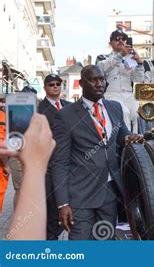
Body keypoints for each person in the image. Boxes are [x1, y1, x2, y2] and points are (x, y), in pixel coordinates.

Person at [50, 65, 144, 240]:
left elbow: (121, 135)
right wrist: (62, 203)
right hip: (80, 196)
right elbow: (59, 162)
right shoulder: (65, 116)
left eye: (101, 79)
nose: (99, 83)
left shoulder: (114, 107)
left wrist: (131, 137)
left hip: (110, 192)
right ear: (81, 83)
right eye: (93, 80)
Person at [2, 114, 56, 240]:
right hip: (18, 157)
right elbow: (25, 255)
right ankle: (18, 215)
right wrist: (35, 167)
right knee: (19, 189)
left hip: (23, 154)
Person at [37, 73, 72, 240]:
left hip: (73, 166)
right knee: (52, 216)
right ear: (45, 87)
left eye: (58, 83)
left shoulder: (70, 106)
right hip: (49, 168)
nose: (56, 86)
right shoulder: (38, 110)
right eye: (51, 84)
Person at [96, 29, 144, 132]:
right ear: (110, 43)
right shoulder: (103, 57)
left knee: (139, 113)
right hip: (112, 94)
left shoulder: (130, 58)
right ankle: (125, 142)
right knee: (124, 113)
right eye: (117, 39)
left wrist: (139, 64)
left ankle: (137, 142)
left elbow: (138, 79)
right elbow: (101, 70)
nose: (121, 41)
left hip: (129, 94)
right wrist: (120, 55)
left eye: (123, 39)